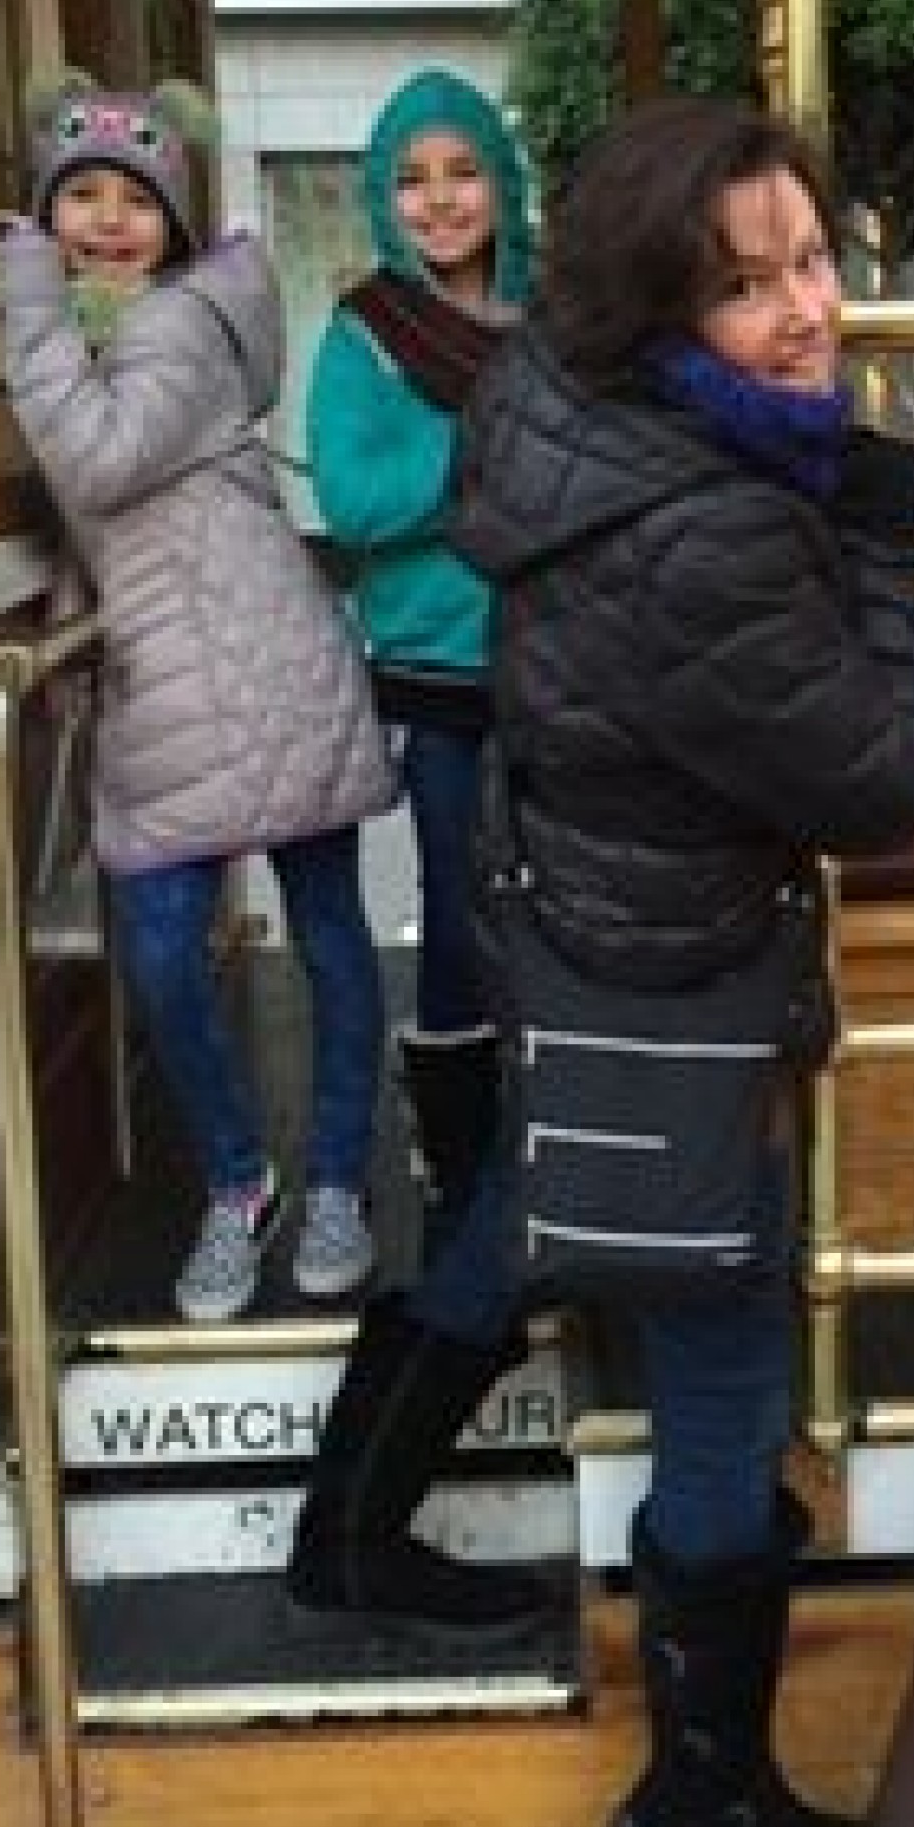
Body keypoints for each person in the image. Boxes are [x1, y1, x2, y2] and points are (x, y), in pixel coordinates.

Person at [287, 94, 914, 1827]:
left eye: (814, 259)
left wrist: (823, 485)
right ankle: (698, 1802)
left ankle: (349, 1529)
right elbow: (887, 784)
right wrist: (886, 544)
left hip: (580, 918)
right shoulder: (711, 525)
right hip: (673, 961)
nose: (809, 310)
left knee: (528, 1200)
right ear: (659, 313)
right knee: (722, 1348)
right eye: (749, 286)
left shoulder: (558, 407)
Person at [0, 74, 399, 1319]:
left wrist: (23, 296)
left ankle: (331, 1180)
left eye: (135, 200)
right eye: (81, 197)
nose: (109, 220)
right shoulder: (103, 330)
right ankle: (247, 1184)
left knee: (313, 934)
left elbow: (98, 461)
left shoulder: (172, 326)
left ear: (173, 222)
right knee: (178, 952)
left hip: (257, 666)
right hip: (175, 673)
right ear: (49, 210)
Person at [307, 68, 534, 1244]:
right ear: (381, 199)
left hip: (562, 669)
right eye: (410, 180)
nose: (439, 200)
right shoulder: (365, 330)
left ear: (504, 182)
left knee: (565, 908)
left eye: (462, 172)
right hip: (440, 683)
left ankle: (551, 1140)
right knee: (459, 907)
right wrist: (491, 448)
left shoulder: (558, 318)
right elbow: (353, 503)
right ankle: (456, 1159)